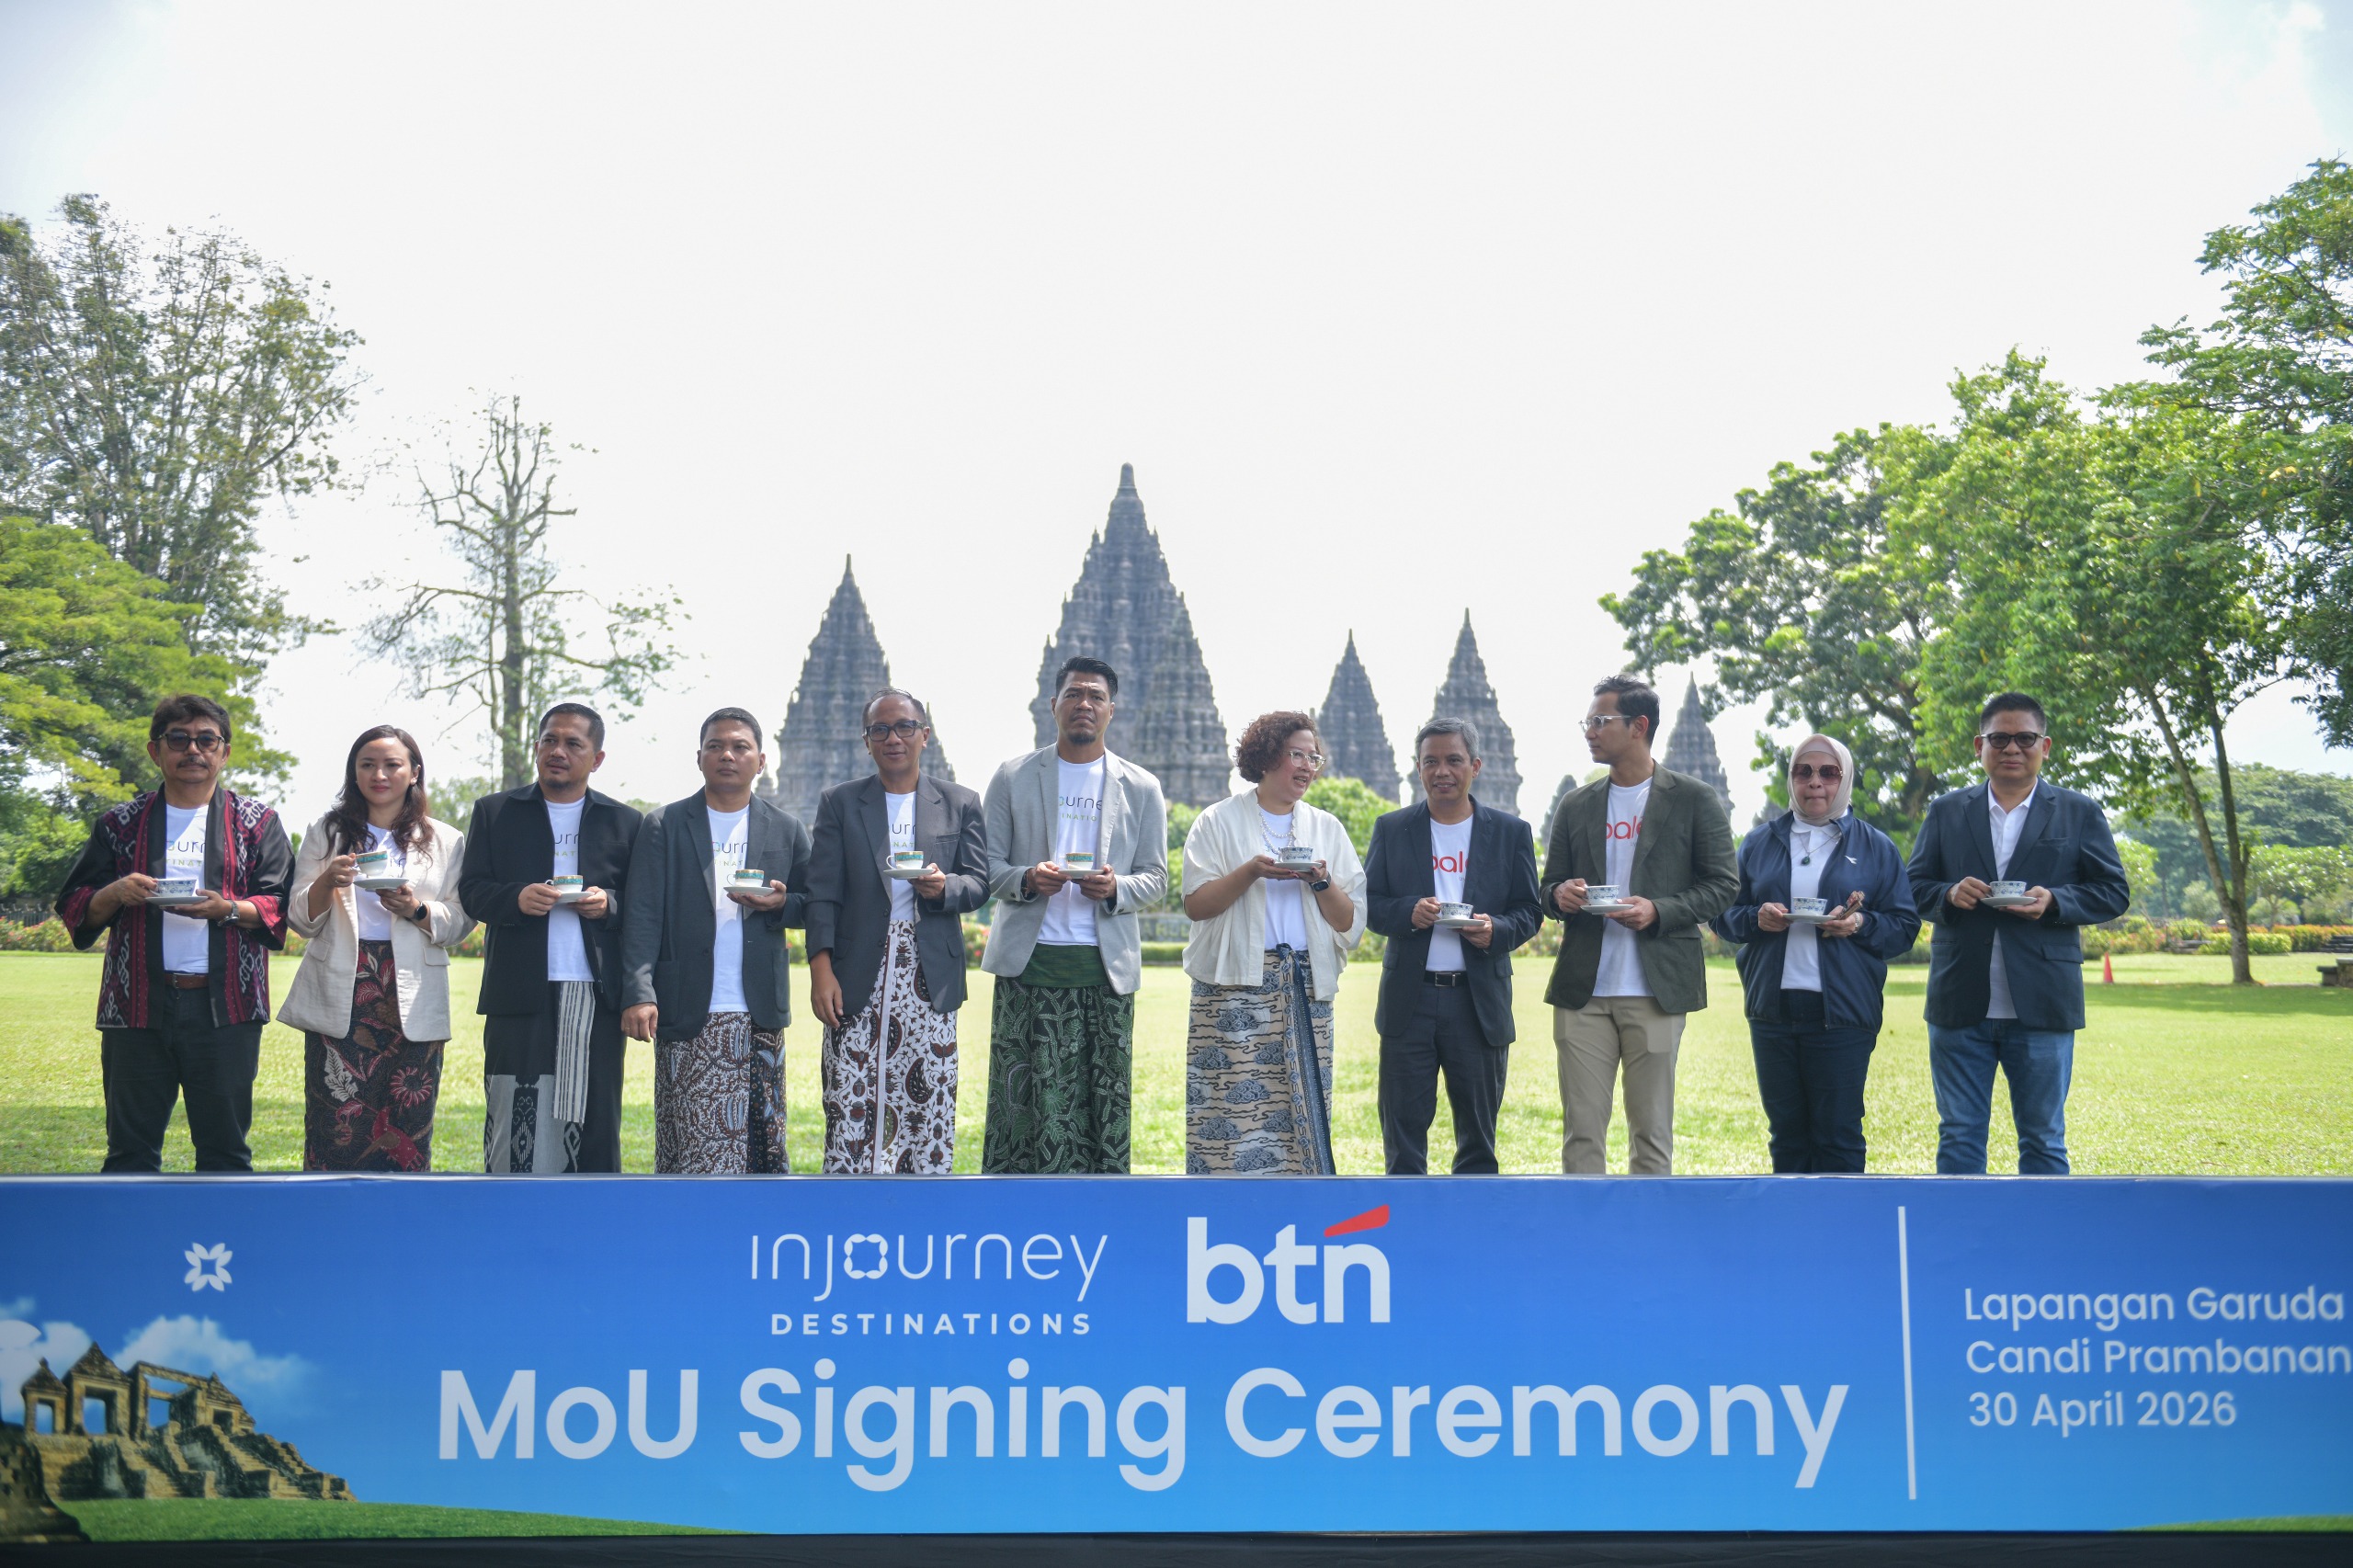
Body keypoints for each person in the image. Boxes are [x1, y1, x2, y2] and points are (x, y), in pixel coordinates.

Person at [53, 694, 294, 1174]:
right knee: (129, 1156)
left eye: (207, 740)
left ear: (224, 752)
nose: (193, 750)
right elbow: (75, 903)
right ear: (155, 751)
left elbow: (280, 904)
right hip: (136, 1008)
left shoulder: (256, 823)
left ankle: (220, 1228)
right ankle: (132, 1227)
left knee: (225, 1156)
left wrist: (227, 909)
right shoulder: (119, 824)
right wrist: (115, 892)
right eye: (179, 739)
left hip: (227, 1010)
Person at [1907, 692, 2130, 1175]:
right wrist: (1948, 893)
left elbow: (2113, 892)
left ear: (2044, 746)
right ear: (1979, 746)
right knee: (1959, 1135)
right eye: (2000, 739)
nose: (2012, 748)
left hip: (2043, 1004)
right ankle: (1961, 1226)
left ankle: (2043, 1228)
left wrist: (2056, 901)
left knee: (2044, 1138)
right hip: (1958, 1002)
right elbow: (1912, 887)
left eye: (2025, 739)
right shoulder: (1946, 811)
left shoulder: (2078, 812)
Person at [1540, 675, 1738, 1176]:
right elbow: (1548, 888)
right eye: (1587, 722)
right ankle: (1586, 1225)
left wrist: (1658, 910)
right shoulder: (1576, 804)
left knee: (1651, 1133)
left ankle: (1647, 1225)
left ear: (1639, 726)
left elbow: (1723, 885)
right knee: (1582, 1132)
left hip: (1656, 989)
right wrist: (1560, 895)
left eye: (1600, 721)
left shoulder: (1693, 799)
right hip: (1584, 991)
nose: (1590, 731)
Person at [979, 656, 1168, 1174]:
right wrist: (1026, 879)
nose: (1084, 704)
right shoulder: (1014, 776)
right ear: (1053, 704)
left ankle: (1100, 1203)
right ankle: (1017, 1203)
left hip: (1104, 970)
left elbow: (1156, 877)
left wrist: (1115, 887)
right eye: (1074, 694)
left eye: (1096, 696)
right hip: (1028, 965)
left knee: (1102, 1104)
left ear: (1112, 709)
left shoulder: (1141, 786)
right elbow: (986, 866)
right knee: (1021, 1106)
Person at [1710, 734, 1920, 1173]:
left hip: (1843, 1012)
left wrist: (1859, 924)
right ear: (1791, 779)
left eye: (1829, 773)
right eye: (1803, 772)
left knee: (1838, 1135)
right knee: (1786, 1136)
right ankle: (1791, 1218)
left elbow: (1904, 927)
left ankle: (1841, 1218)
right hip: (1773, 1010)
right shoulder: (1759, 842)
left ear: (1845, 779)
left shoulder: (1876, 847)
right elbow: (1722, 914)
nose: (1815, 782)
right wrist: (1756, 918)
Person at [804, 689, 987, 1173]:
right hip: (855, 971)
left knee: (928, 1095)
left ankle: (924, 1196)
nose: (893, 738)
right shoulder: (841, 803)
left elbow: (978, 883)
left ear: (924, 735)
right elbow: (822, 893)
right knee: (849, 1094)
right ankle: (849, 1196)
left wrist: (943, 888)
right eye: (880, 729)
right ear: (866, 741)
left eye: (905, 727)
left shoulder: (960, 802)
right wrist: (821, 970)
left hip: (929, 972)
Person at [620, 708, 807, 1174]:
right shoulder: (664, 825)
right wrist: (639, 992)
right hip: (688, 1007)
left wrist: (782, 903)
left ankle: (755, 1222)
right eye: (715, 746)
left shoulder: (785, 828)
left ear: (761, 760)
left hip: (758, 1012)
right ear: (699, 757)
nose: (727, 755)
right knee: (693, 1145)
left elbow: (816, 904)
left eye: (740, 747)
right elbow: (642, 915)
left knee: (762, 1145)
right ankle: (693, 1219)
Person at [280, 725, 477, 1171]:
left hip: (411, 989)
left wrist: (416, 909)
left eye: (392, 765)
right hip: (343, 984)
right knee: (337, 1119)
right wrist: (327, 881)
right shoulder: (326, 831)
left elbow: (460, 920)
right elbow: (299, 920)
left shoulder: (446, 840)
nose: (379, 774)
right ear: (354, 772)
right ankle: (331, 1205)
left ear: (414, 772)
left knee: (407, 1119)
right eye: (367, 764)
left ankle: (404, 1208)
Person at [459, 702, 643, 1173]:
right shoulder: (496, 812)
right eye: (549, 741)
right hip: (518, 990)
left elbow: (643, 904)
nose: (557, 751)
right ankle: (514, 1205)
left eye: (573, 744)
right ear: (537, 747)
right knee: (514, 1110)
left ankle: (590, 1211)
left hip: (596, 992)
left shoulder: (625, 822)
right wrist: (516, 898)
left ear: (597, 759)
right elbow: (472, 891)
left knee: (594, 1118)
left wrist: (609, 903)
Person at [1179, 711, 1367, 1175]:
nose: (1307, 766)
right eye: (1296, 755)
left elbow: (1349, 922)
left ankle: (1300, 1204)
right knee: (1227, 1113)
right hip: (1232, 988)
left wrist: (1320, 881)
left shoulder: (1326, 827)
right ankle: (1223, 1207)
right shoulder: (1217, 820)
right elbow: (1197, 905)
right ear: (1265, 758)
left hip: (1304, 987)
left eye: (1313, 758)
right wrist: (1251, 872)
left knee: (1302, 1111)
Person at [1363, 718, 1542, 1175]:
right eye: (1431, 762)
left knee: (1479, 1140)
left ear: (1475, 766)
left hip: (1477, 1001)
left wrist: (1495, 929)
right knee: (1402, 1138)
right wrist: (1409, 912)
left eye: (1453, 761)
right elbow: (1369, 905)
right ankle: (1405, 1214)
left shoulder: (1510, 832)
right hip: (1410, 999)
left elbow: (1529, 910)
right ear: (1418, 768)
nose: (1442, 771)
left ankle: (1473, 1214)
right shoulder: (1393, 828)